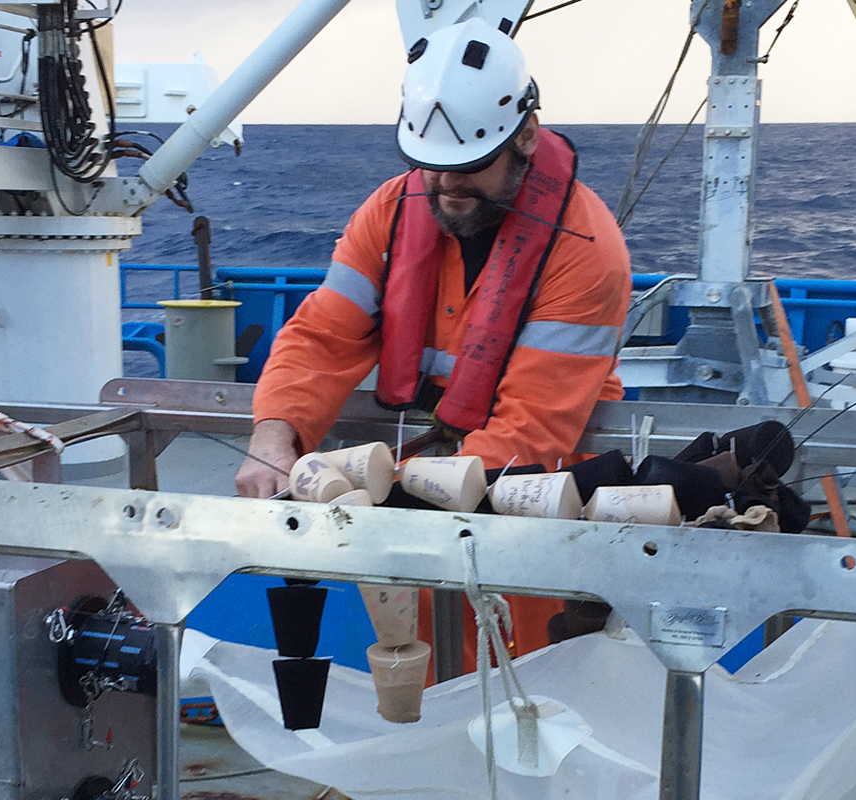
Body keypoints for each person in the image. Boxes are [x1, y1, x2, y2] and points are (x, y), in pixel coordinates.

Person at [235, 18, 631, 667]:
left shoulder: (588, 252)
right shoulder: (389, 212)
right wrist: (274, 437)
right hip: (423, 500)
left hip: (537, 504)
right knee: (425, 676)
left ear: (525, 136)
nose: (445, 187)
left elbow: (531, 432)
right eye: (430, 166)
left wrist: (385, 499)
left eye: (468, 167)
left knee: (534, 684)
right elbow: (319, 336)